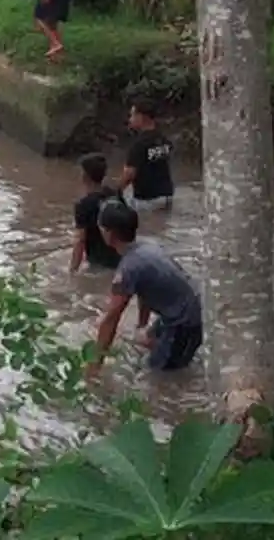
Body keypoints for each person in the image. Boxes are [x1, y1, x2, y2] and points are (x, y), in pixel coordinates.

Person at [91, 201, 203, 372]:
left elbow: (111, 319)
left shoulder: (128, 268)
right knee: (145, 342)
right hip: (187, 308)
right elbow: (146, 291)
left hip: (185, 322)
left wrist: (94, 365)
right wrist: (141, 326)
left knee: (158, 376)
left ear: (109, 234)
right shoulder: (147, 246)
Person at [68, 153, 122, 273]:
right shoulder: (114, 194)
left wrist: (72, 270)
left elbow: (80, 241)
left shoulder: (83, 205)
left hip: (99, 262)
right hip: (120, 258)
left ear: (85, 176)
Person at [119, 99, 174, 210]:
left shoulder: (139, 145)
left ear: (141, 117)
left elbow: (129, 174)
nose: (130, 119)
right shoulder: (163, 139)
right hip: (167, 196)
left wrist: (115, 192)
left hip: (147, 200)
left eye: (132, 115)